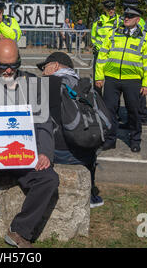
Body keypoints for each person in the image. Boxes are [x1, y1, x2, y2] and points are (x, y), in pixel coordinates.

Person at [0, 38, 59, 248]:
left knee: (49, 178)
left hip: (23, 152)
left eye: (13, 65)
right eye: (3, 66)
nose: (8, 70)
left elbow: (44, 125)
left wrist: (44, 154)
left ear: (20, 61)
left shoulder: (33, 85)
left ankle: (20, 231)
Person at [37, 52, 103, 208]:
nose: (43, 72)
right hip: (84, 155)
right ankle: (91, 195)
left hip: (56, 154)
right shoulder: (84, 85)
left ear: (55, 66)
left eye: (45, 68)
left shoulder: (45, 84)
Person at [95, 6, 147, 153]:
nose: (126, 18)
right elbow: (102, 55)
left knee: (133, 111)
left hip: (133, 80)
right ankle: (110, 140)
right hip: (112, 79)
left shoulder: (145, 37)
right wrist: (99, 76)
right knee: (109, 111)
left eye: (130, 16)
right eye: (125, 15)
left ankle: (135, 140)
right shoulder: (114, 33)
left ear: (138, 19)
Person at [119, 0, 147, 126]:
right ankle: (137, 118)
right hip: (126, 63)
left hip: (136, 63)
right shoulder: (133, 19)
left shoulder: (139, 21)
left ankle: (141, 117)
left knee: (137, 97)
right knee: (133, 97)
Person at [91, 0, 121, 89]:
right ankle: (97, 100)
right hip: (100, 53)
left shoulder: (120, 21)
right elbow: (93, 36)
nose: (111, 11)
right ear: (104, 9)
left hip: (114, 54)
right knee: (97, 80)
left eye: (112, 8)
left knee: (112, 81)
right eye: (108, 9)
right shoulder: (98, 21)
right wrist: (96, 46)